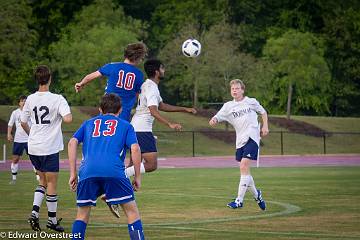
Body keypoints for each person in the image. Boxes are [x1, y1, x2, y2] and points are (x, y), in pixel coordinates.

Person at [68, 93, 145, 240]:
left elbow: (72, 143)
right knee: (132, 213)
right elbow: (135, 149)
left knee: (82, 214)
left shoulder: (88, 123)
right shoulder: (126, 126)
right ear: (120, 110)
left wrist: (73, 173)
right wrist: (137, 176)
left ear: (100, 109)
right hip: (114, 172)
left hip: (87, 172)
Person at [21, 65, 72, 232]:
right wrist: (59, 115)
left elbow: (23, 122)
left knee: (42, 181)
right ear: (50, 79)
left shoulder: (29, 99)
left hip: (33, 147)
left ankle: (35, 214)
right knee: (51, 183)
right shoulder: (57, 99)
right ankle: (52, 220)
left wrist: (32, 135)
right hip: (49, 148)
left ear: (37, 79)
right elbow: (68, 119)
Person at [125, 59, 197, 177]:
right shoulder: (152, 88)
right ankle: (119, 178)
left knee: (133, 165)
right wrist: (170, 124)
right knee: (151, 164)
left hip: (136, 127)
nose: (164, 71)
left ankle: (113, 189)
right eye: (162, 68)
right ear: (157, 72)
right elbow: (153, 110)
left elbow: (161, 106)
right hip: (142, 130)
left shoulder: (147, 84)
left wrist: (184, 109)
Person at [209, 79, 268, 210]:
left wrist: (265, 126)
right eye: (232, 89)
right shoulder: (228, 106)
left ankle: (239, 200)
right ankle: (257, 195)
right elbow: (218, 116)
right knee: (245, 171)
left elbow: (263, 112)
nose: (234, 90)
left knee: (244, 165)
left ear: (242, 90)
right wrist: (214, 120)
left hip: (252, 137)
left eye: (237, 88)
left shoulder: (251, 102)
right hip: (240, 141)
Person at [74, 42, 147, 121]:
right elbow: (138, 94)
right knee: (121, 131)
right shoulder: (139, 74)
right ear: (137, 58)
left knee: (103, 129)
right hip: (123, 110)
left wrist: (81, 83)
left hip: (107, 107)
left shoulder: (112, 66)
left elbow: (91, 76)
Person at [7, 95, 39, 184]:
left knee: (34, 158)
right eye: (22, 101)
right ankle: (14, 178)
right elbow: (10, 124)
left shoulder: (31, 112)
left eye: (25, 101)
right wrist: (9, 134)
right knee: (15, 159)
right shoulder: (15, 113)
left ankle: (38, 177)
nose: (24, 102)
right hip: (18, 140)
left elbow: (36, 123)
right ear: (19, 103)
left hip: (30, 139)